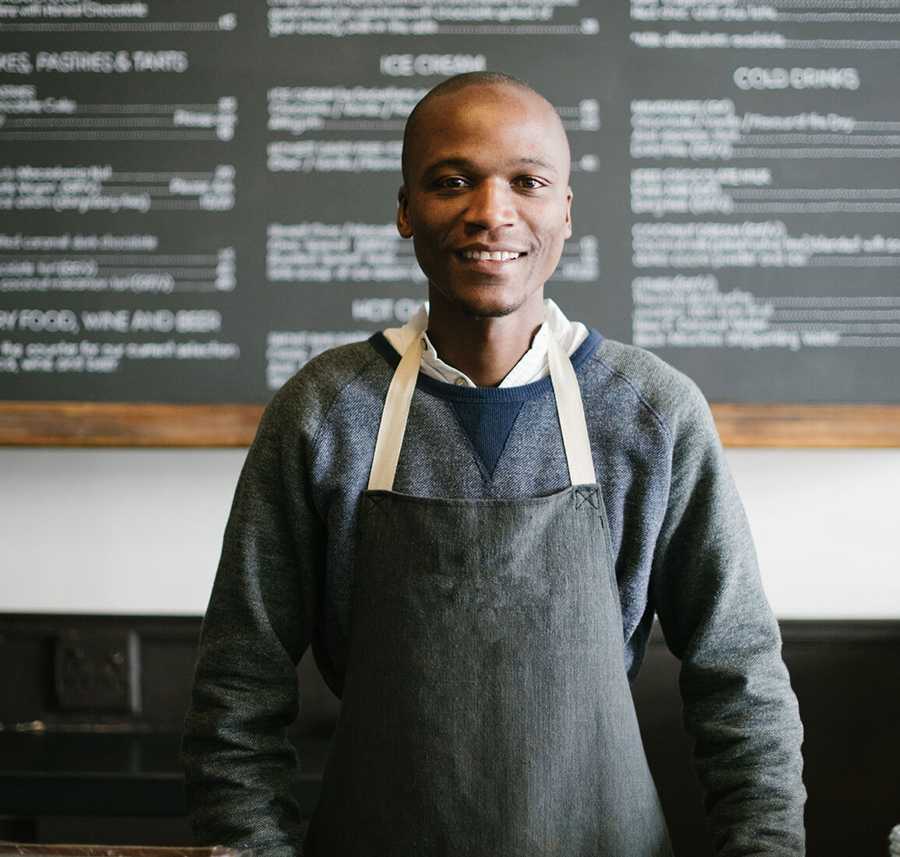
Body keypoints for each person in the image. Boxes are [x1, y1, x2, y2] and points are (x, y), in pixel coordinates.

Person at [182, 72, 806, 856]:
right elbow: (234, 695)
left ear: (565, 212)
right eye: (452, 181)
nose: (491, 212)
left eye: (528, 182)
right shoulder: (324, 413)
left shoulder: (652, 414)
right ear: (406, 208)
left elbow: (741, 682)